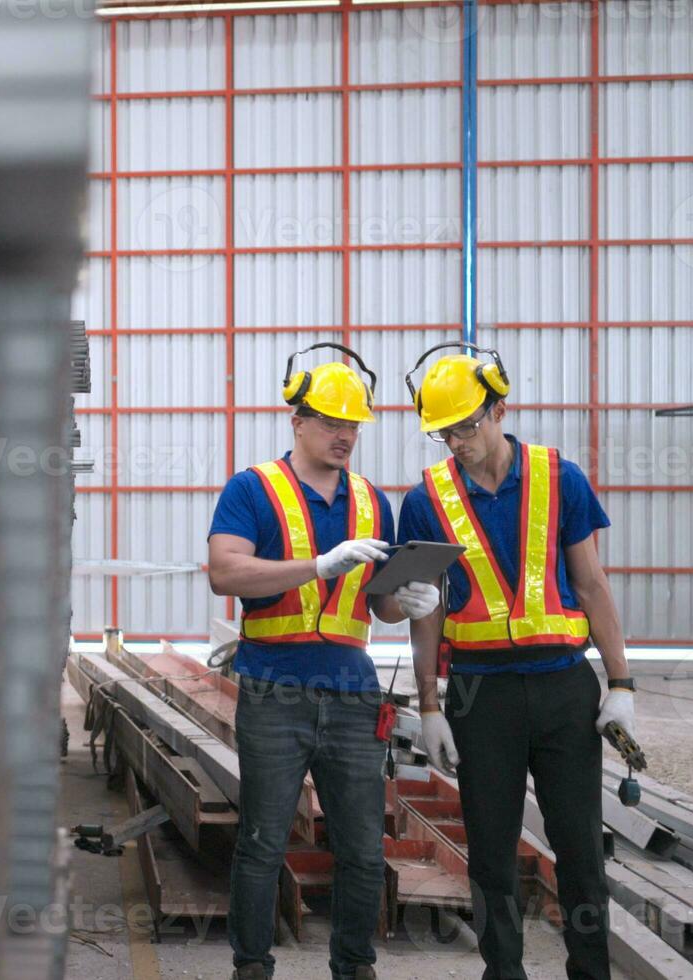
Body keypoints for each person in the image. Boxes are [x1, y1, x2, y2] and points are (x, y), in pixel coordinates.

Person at [399, 343, 632, 980]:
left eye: (467, 426)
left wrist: (621, 682)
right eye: (444, 431)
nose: (457, 442)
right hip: (481, 695)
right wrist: (428, 705)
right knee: (491, 856)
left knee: (581, 850)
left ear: (499, 409)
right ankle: (503, 971)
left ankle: (591, 972)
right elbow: (427, 611)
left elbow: (591, 584)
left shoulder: (562, 478)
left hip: (563, 686)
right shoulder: (426, 499)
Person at [208, 343, 441, 980]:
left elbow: (379, 606)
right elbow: (224, 573)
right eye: (333, 422)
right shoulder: (252, 489)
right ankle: (252, 966)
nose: (345, 435)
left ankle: (354, 967)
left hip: (352, 693)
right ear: (298, 420)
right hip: (273, 688)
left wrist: (406, 598)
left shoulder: (373, 502)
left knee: (364, 850)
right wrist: (316, 565)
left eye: (354, 424)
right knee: (262, 842)